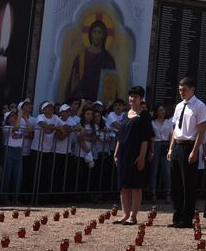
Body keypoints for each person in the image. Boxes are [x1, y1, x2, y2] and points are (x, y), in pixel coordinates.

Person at [167, 77, 206, 228]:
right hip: (177, 145)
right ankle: (177, 216)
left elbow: (201, 130)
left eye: (184, 89)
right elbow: (175, 129)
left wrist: (195, 150)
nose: (181, 92)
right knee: (176, 184)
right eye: (180, 90)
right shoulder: (178, 106)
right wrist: (171, 148)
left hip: (189, 146)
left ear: (192, 89)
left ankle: (186, 218)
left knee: (188, 184)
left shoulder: (199, 106)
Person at [112, 86, 152, 224]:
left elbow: (145, 139)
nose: (132, 98)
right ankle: (125, 214)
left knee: (135, 185)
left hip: (136, 154)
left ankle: (133, 216)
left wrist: (142, 157)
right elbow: (120, 136)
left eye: (135, 96)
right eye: (131, 96)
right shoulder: (125, 114)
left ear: (141, 98)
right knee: (124, 186)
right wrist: (116, 153)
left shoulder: (144, 116)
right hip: (123, 154)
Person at [63, 18, 119, 102]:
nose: (97, 35)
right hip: (82, 100)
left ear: (103, 35)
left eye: (99, 32)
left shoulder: (108, 59)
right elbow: (73, 83)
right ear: (90, 34)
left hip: (99, 103)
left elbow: (112, 85)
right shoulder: (81, 58)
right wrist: (73, 88)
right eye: (94, 32)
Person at [150, 103, 172, 202]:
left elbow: (171, 136)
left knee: (166, 171)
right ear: (156, 112)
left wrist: (170, 147)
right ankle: (153, 193)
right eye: (160, 110)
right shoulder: (153, 122)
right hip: (156, 144)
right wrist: (152, 150)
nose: (162, 112)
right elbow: (151, 137)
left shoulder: (168, 122)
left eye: (163, 110)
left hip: (166, 145)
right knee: (154, 170)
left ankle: (168, 193)